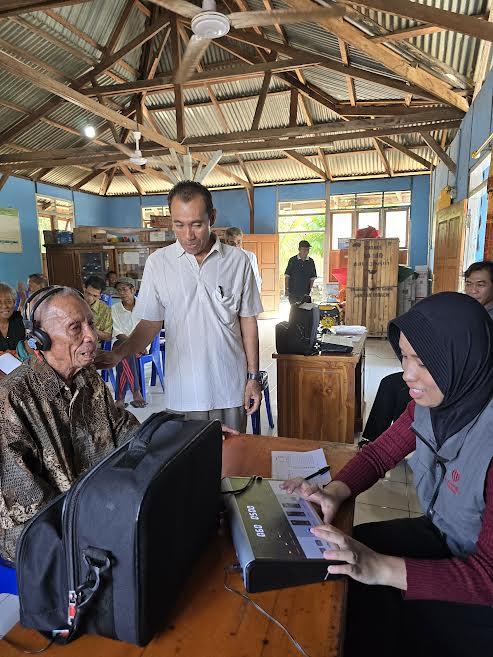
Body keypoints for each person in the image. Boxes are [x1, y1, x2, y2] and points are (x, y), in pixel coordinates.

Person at [283, 292, 493, 657]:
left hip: (479, 588)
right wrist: (334, 491)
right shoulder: (435, 404)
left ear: (464, 360)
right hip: (444, 537)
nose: (407, 374)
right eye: (405, 356)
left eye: (423, 362)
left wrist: (379, 567)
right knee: (341, 555)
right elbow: (380, 454)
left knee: (368, 604)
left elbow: (487, 579)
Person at [96, 180, 263, 433]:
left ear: (212, 217)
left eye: (196, 224)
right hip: (183, 390)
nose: (188, 235)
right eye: (179, 225)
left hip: (230, 386)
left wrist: (253, 377)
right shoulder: (159, 263)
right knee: (187, 457)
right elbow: (150, 323)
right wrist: (119, 353)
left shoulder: (238, 261)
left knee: (230, 456)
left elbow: (248, 321)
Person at [0, 286, 140, 562]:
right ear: (39, 339)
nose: (91, 336)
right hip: (41, 534)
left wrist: (177, 437)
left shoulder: (88, 378)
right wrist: (98, 519)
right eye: (75, 328)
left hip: (92, 507)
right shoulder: (13, 399)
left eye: (90, 324)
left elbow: (126, 432)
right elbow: (27, 503)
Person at [362, 258, 493, 442]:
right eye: (469, 284)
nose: (473, 290)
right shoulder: (460, 311)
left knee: (404, 393)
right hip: (438, 376)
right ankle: (372, 440)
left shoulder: (485, 323)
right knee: (390, 384)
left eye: (481, 285)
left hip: (463, 388)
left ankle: (409, 440)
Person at [111, 277, 147, 409]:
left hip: (141, 346)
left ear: (133, 290)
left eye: (124, 289)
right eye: (119, 290)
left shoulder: (144, 307)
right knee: (124, 350)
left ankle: (120, 398)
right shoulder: (115, 308)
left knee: (124, 354)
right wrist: (134, 345)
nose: (121, 293)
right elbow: (117, 332)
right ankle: (136, 392)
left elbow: (148, 328)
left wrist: (140, 345)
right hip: (122, 343)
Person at [225, 226, 262, 292]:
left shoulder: (250, 256)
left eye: (238, 242)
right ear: (226, 242)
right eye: (232, 242)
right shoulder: (221, 258)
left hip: (246, 292)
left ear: (242, 241)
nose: (236, 245)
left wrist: (257, 293)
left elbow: (255, 277)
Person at [284, 240, 317, 304]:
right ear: (299, 249)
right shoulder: (292, 260)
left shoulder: (311, 261)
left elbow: (312, 278)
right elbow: (287, 276)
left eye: (307, 250)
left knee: (304, 309)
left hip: (305, 292)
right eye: (304, 249)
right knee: (294, 309)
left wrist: (310, 290)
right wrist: (286, 289)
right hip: (293, 292)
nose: (306, 252)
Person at [83, 274, 112, 343]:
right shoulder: (74, 303)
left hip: (93, 344)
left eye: (95, 296)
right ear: (84, 288)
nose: (90, 298)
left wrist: (90, 329)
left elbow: (108, 336)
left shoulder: (105, 310)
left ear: (100, 295)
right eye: (88, 293)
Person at [0, 282, 25, 352]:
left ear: (14, 303)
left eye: (9, 301)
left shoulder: (22, 319)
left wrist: (17, 353)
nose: (5, 306)